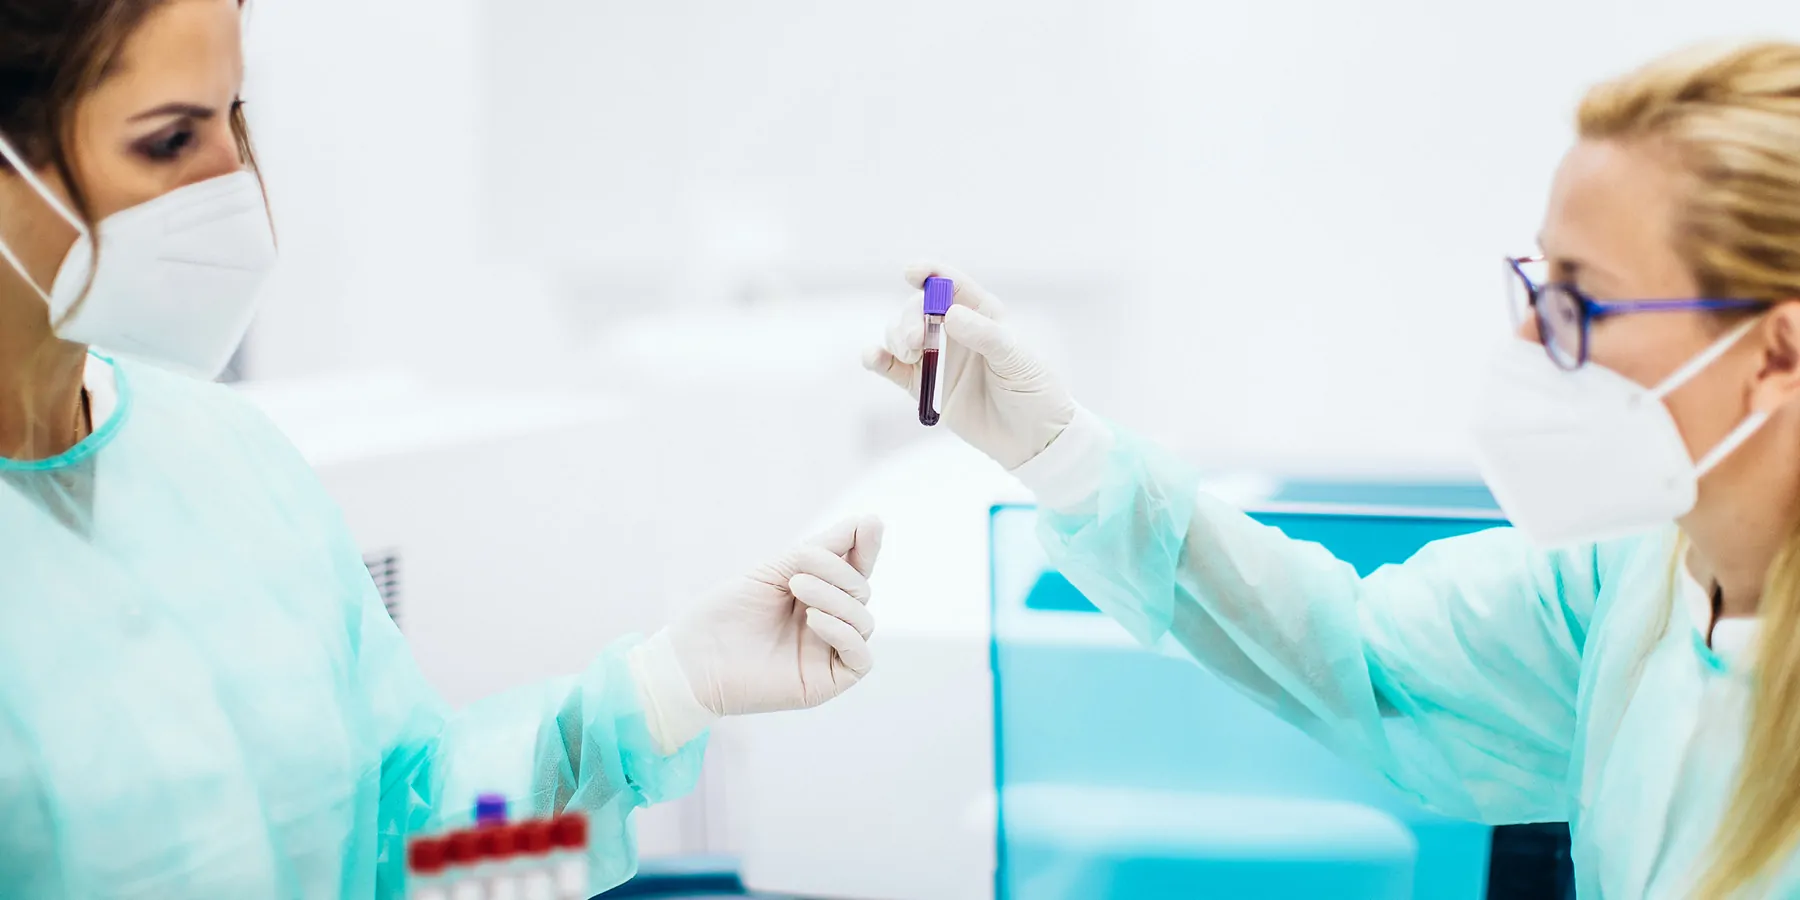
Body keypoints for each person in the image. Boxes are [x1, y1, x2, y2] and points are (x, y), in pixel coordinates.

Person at [868, 41, 1800, 899]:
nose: (1526, 340)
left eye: (1579, 301)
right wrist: (1063, 452)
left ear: (1777, 353)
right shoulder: (1635, 574)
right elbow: (1361, 657)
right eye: (1535, 285)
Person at [0, 2, 882, 897]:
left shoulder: (228, 460)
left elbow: (409, 846)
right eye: (167, 141)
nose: (236, 187)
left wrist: (662, 693)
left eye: (236, 116)